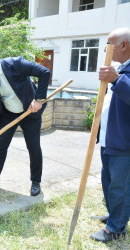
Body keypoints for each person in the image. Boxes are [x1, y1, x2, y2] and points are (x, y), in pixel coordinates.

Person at [0, 47, 50, 196]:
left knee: (33, 148)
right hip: (8, 114)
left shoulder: (16, 64)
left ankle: (35, 181)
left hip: (29, 111)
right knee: (1, 147)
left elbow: (44, 72)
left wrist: (38, 99)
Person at [90, 27, 130, 242]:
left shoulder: (121, 73)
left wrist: (117, 80)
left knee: (120, 188)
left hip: (124, 144)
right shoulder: (119, 68)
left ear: (124, 45)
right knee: (108, 183)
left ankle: (116, 229)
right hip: (108, 139)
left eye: (110, 43)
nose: (105, 48)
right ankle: (114, 216)